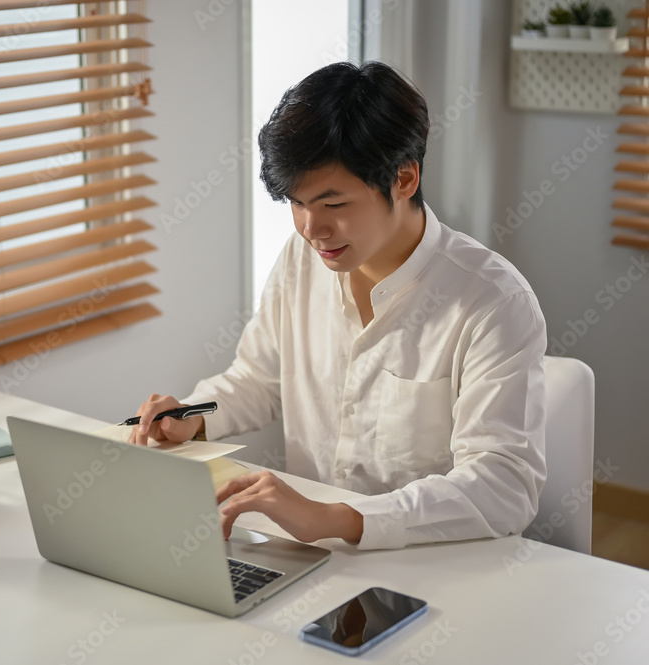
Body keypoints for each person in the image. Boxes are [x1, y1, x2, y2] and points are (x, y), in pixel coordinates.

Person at [130, 61, 547, 550]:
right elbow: (258, 379)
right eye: (297, 203)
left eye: (333, 205)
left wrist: (337, 518)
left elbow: (504, 488)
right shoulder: (301, 259)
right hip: (311, 554)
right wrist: (195, 413)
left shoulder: (493, 302)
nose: (312, 230)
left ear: (404, 179)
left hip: (433, 564)